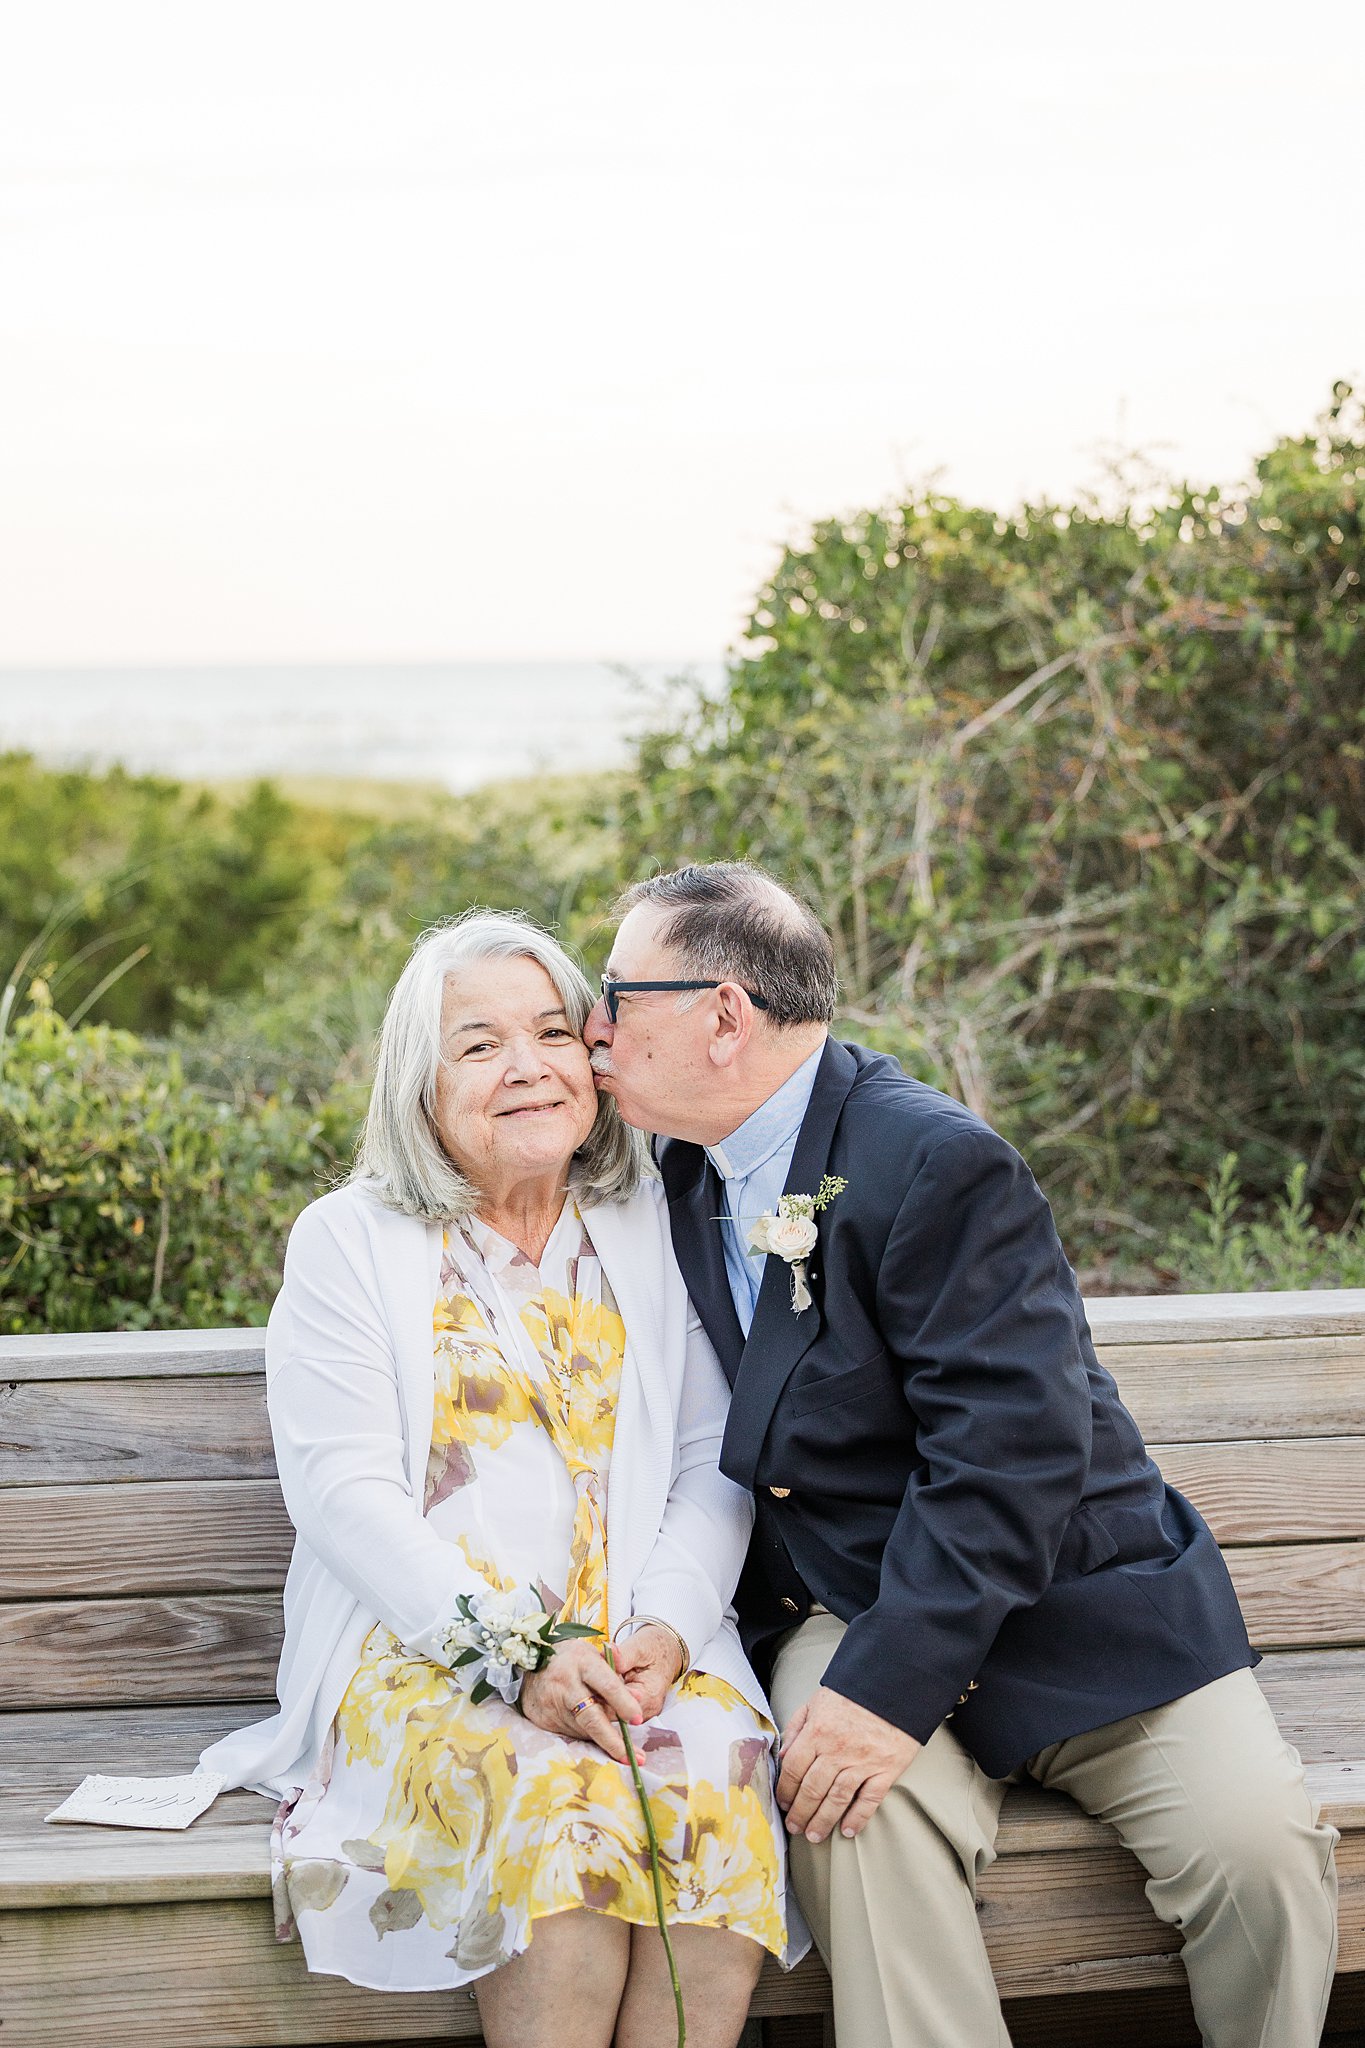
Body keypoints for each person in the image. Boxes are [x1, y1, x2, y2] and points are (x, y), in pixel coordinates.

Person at [585, 861, 1340, 2048]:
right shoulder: (673, 1165)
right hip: (848, 1590)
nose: (592, 1030)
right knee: (847, 1822)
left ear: (723, 1014)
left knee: (1260, 1854)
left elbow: (1014, 1455)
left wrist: (890, 1693)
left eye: (616, 996)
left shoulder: (933, 1162)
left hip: (1076, 1602)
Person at [202, 910, 801, 2048]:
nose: (527, 1066)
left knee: (720, 1769)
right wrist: (516, 1655)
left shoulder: (647, 1216)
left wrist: (669, 1626)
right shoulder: (347, 1240)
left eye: (549, 1033)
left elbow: (709, 1457)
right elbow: (343, 1495)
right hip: (431, 1651)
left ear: (593, 1055)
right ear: (421, 1085)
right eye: (480, 1045)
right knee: (565, 1799)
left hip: (638, 1644)